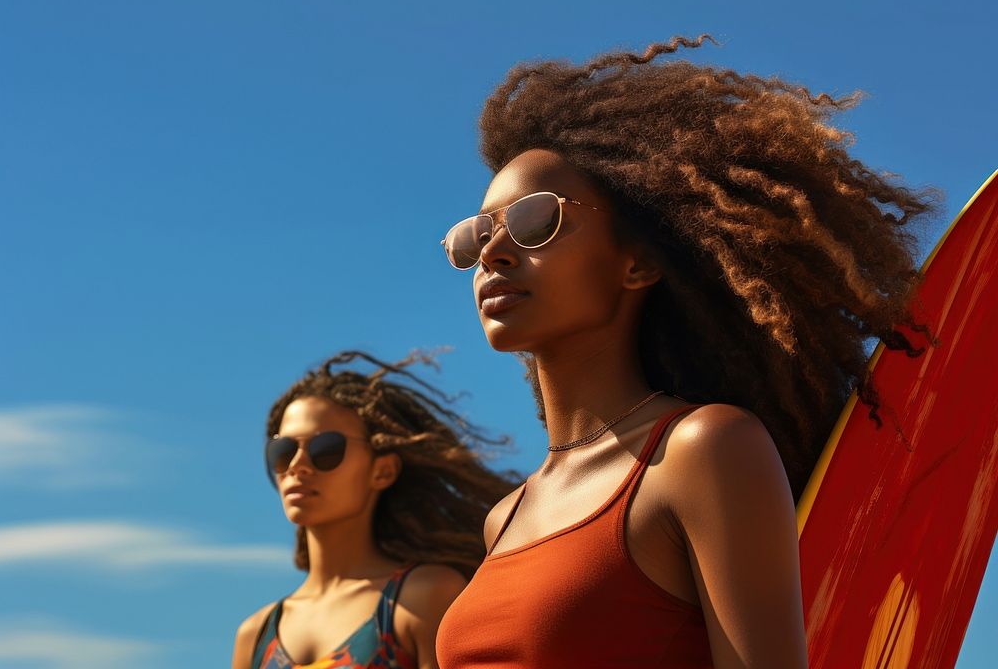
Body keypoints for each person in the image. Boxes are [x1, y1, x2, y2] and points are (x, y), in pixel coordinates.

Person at [434, 37, 936, 669]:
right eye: (476, 234)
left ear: (639, 261)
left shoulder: (702, 451)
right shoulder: (504, 518)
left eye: (537, 221)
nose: (493, 253)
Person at [232, 351, 517, 669]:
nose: (297, 466)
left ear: (383, 471)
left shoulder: (422, 597)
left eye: (325, 450)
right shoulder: (255, 635)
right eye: (283, 451)